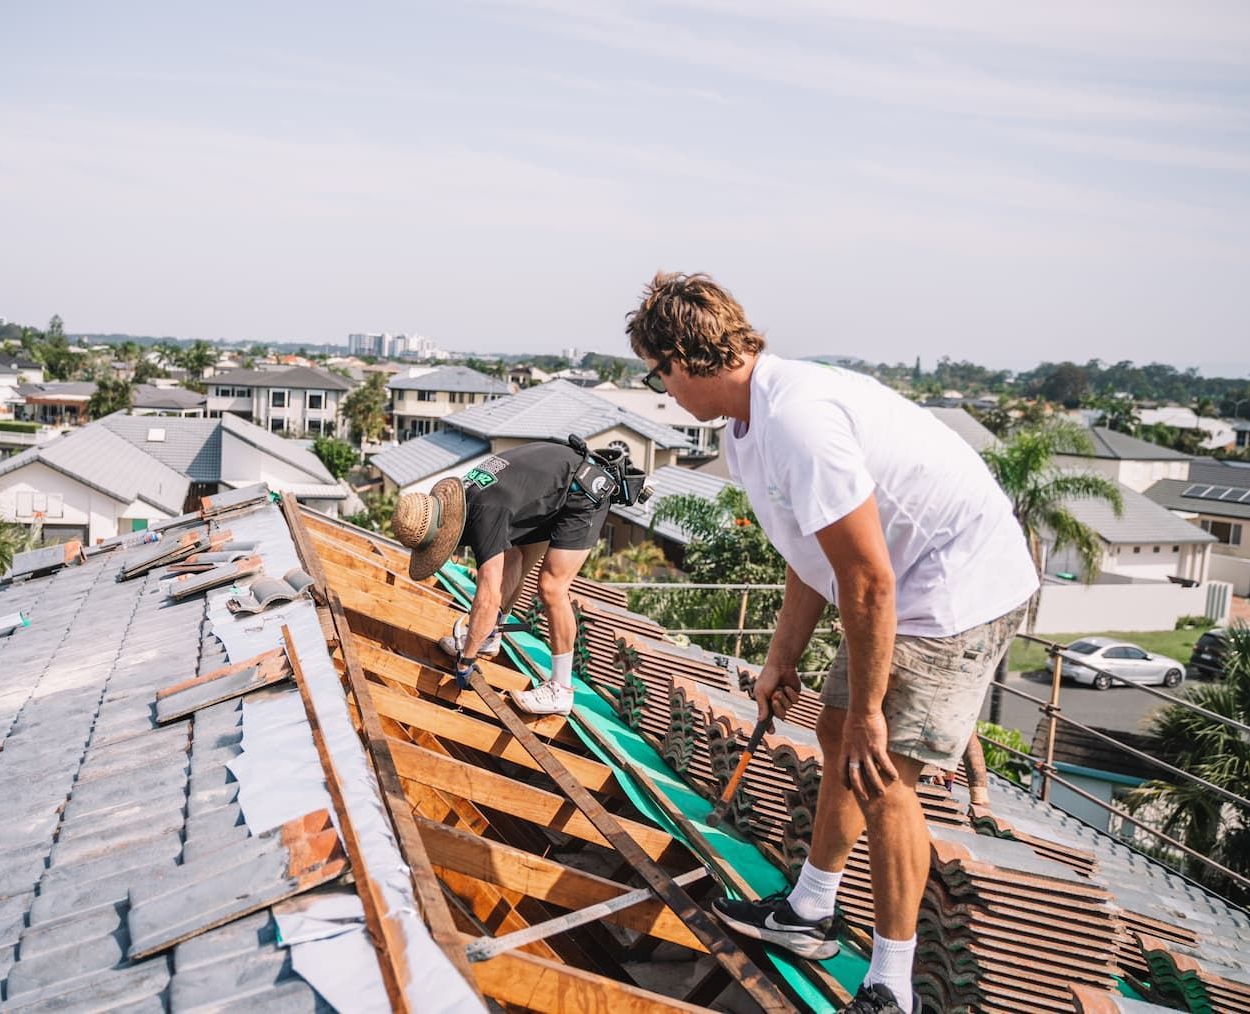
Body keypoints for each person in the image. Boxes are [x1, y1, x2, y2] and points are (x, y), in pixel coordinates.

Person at [625, 272, 1036, 1014]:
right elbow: (811, 554)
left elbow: (868, 580)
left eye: (657, 375)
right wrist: (780, 660)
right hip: (896, 581)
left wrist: (874, 706)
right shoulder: (750, 427)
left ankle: (891, 985)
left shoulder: (798, 422)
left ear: (681, 360)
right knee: (833, 728)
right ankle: (809, 911)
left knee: (880, 771)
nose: (663, 392)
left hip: (951, 593)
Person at [391, 439, 627, 715]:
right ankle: (490, 635)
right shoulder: (466, 497)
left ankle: (561, 691)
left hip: (583, 493)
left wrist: (466, 659)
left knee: (551, 588)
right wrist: (478, 637)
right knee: (515, 556)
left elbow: (488, 596)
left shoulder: (484, 515)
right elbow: (510, 560)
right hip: (555, 485)